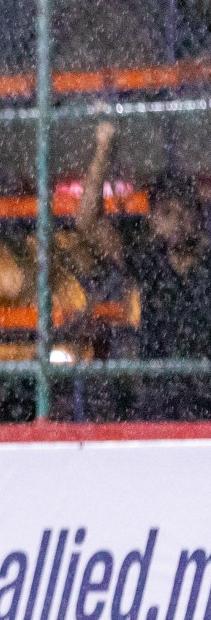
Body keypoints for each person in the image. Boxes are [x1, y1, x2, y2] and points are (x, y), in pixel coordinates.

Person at [78, 121, 211, 419]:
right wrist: (104, 150)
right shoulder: (150, 263)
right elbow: (87, 221)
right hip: (160, 400)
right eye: (165, 212)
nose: (175, 220)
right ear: (152, 221)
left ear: (197, 216)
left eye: (183, 211)